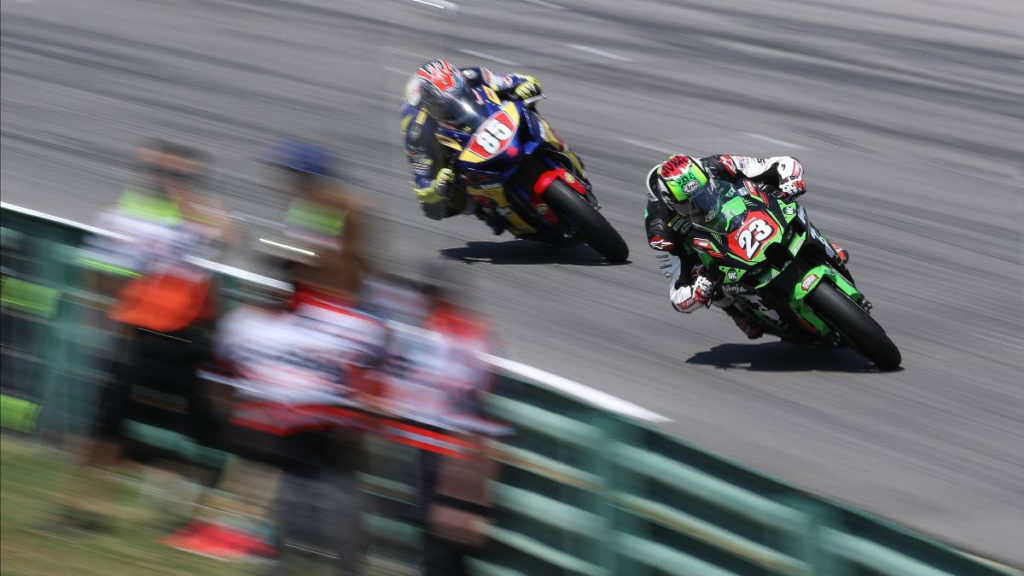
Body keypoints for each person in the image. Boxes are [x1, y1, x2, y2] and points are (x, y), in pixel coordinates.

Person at [63, 139, 233, 529]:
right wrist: (109, 318)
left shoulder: (204, 214)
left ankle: (185, 516)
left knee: (199, 428)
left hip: (188, 336)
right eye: (160, 172)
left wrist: (184, 196)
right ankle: (82, 510)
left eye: (179, 174)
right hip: (138, 333)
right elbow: (100, 269)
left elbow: (225, 238)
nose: (166, 180)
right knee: (107, 422)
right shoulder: (127, 212)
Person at [644, 154, 848, 339]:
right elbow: (676, 294)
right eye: (688, 205)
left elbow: (779, 164)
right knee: (703, 276)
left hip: (736, 215)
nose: (699, 206)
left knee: (785, 205)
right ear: (671, 203)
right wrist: (697, 292)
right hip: (701, 245)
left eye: (704, 193)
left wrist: (790, 181)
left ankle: (822, 243)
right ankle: (734, 311)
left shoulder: (717, 165)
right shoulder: (660, 231)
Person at [399, 58, 585, 234]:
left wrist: (526, 86)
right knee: (441, 203)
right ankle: (489, 212)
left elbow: (517, 80)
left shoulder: (473, 75)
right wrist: (437, 186)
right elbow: (421, 185)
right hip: (455, 148)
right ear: (430, 106)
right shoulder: (417, 132)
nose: (453, 106)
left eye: (460, 94)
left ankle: (564, 153)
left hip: (491, 122)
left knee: (531, 113)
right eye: (446, 106)